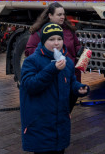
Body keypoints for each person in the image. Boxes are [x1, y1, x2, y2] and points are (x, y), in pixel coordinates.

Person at [20, 23, 89, 154]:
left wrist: (78, 88)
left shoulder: (67, 61)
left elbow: (71, 81)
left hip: (60, 124)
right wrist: (53, 69)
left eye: (59, 39)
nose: (56, 43)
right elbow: (30, 86)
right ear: (43, 41)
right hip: (40, 124)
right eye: (51, 40)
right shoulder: (32, 61)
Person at [25, 2, 82, 111]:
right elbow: (29, 50)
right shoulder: (40, 32)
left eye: (63, 14)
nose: (62, 17)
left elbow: (76, 45)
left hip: (71, 75)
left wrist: (82, 52)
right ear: (50, 15)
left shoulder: (68, 30)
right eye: (59, 15)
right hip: (53, 77)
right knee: (55, 109)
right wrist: (47, 55)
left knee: (68, 107)